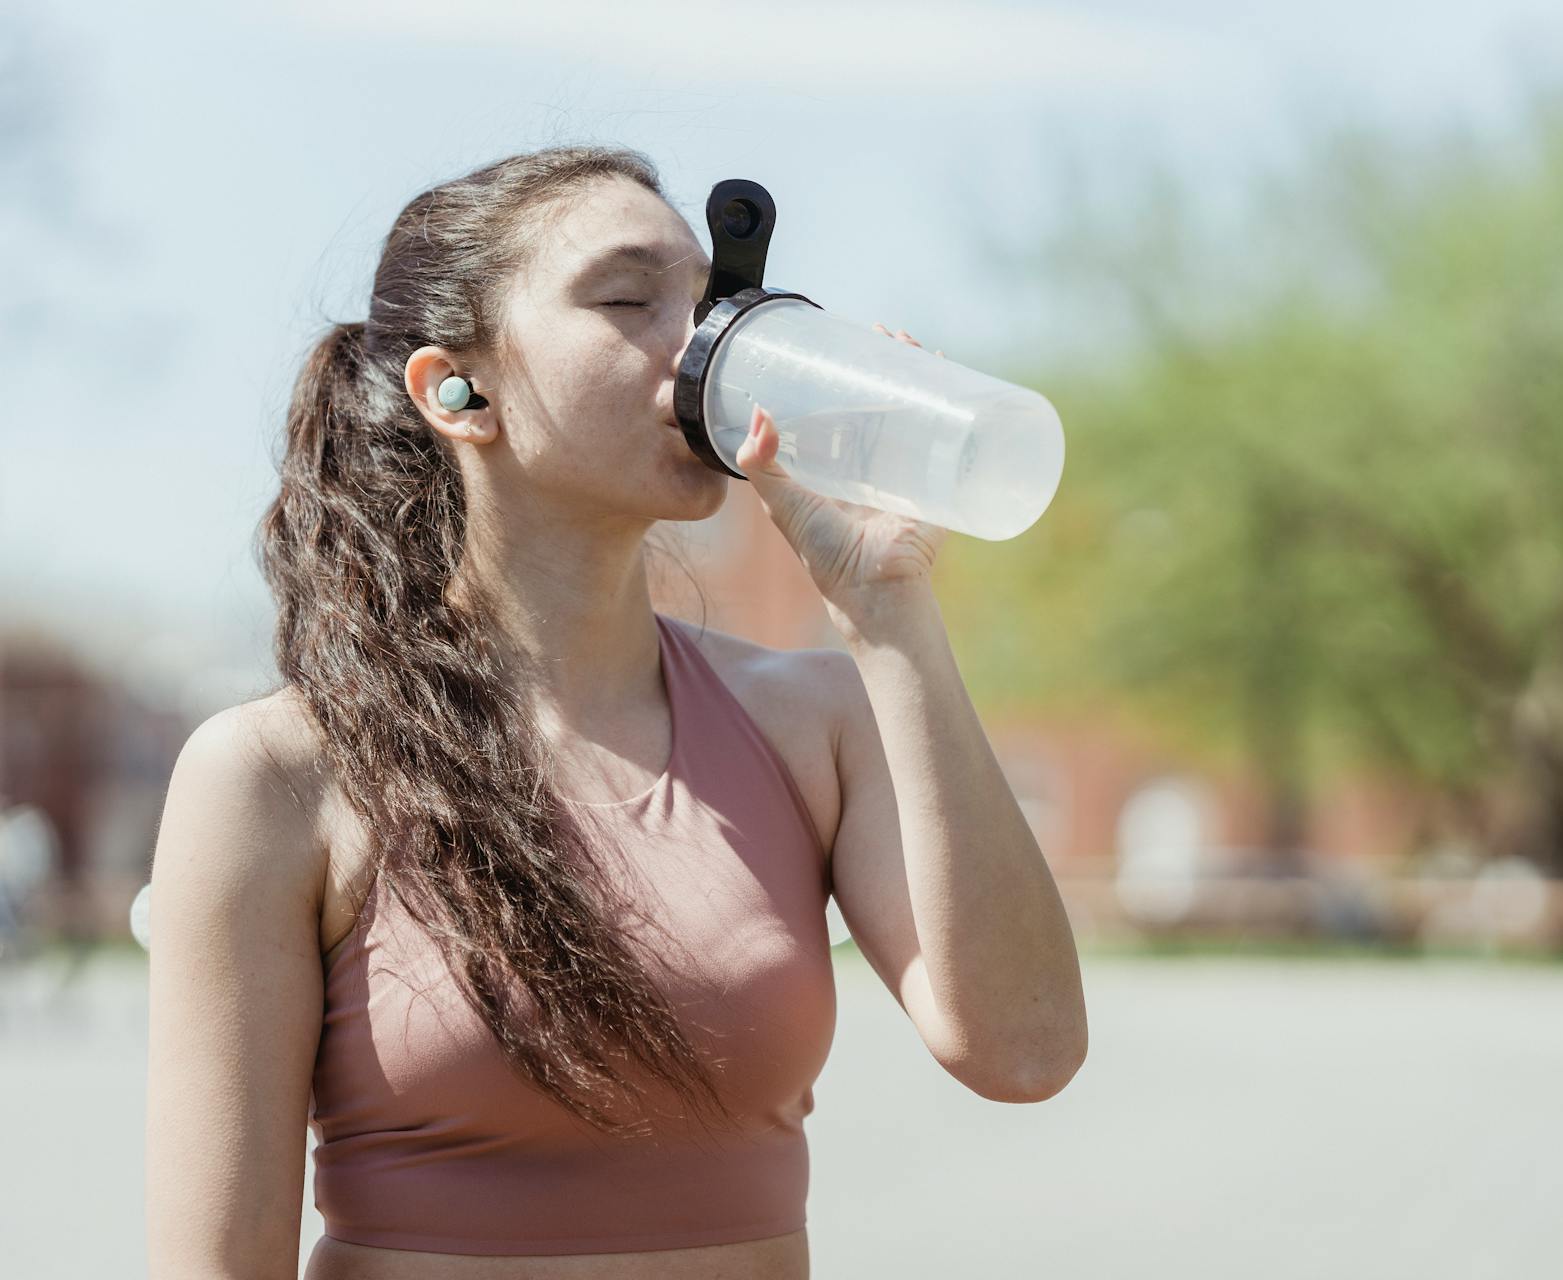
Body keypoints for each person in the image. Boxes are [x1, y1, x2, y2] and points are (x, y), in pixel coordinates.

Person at [143, 144, 1088, 1279]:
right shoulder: (278, 771)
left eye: (706, 298)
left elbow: (1025, 1047)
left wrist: (890, 610)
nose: (699, 344)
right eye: (630, 299)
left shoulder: (814, 717)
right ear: (457, 387)